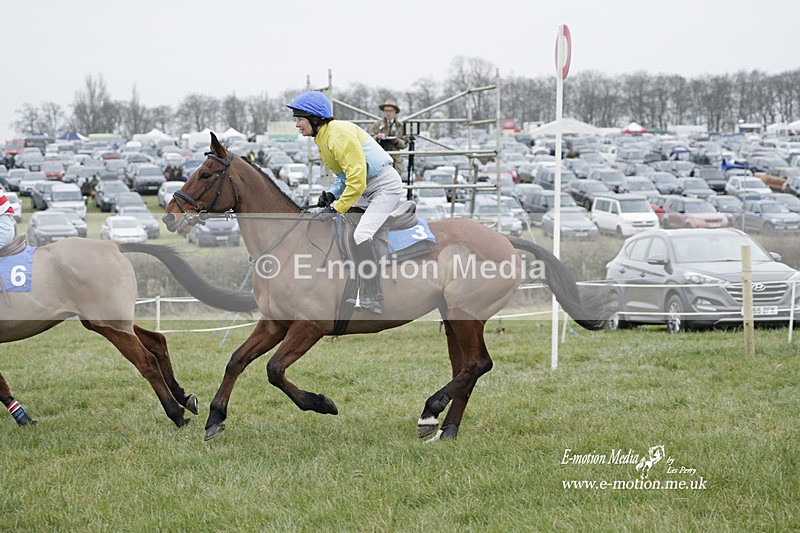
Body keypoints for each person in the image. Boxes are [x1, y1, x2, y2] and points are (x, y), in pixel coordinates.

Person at [286, 91, 404, 314]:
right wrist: (331, 194)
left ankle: (373, 295)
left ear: (315, 118)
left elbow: (357, 180)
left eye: (299, 119)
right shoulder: (325, 138)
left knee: (361, 235)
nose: (297, 125)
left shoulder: (337, 135)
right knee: (342, 229)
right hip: (366, 187)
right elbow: (344, 177)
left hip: (384, 188)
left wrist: (336, 208)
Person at [369, 99, 408, 176]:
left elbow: (405, 143)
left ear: (395, 112)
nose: (388, 113)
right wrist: (377, 137)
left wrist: (397, 141)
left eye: (390, 111)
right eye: (386, 111)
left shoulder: (400, 126)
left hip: (396, 160)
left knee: (395, 181)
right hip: (380, 159)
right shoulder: (377, 124)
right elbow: (369, 139)